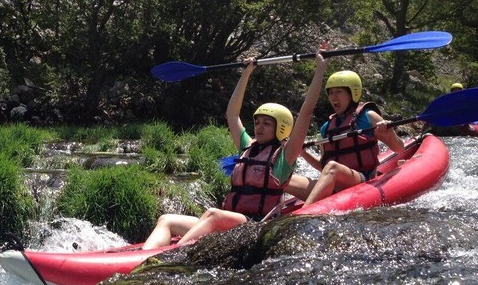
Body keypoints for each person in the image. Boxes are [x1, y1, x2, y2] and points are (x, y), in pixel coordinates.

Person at [141, 46, 330, 250]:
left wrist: (320, 69)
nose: (259, 127)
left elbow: (306, 112)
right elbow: (232, 115)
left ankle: (171, 256)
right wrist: (245, 74)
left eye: (267, 123)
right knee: (166, 219)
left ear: (281, 128)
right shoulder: (247, 147)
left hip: (254, 226)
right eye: (257, 122)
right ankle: (143, 257)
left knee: (213, 214)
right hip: (229, 223)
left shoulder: (284, 156)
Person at [299, 70, 404, 205]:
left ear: (352, 94)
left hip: (362, 179)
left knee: (332, 167)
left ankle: (302, 213)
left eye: (338, 92)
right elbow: (323, 167)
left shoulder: (369, 117)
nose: (333, 97)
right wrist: (303, 153)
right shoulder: (327, 127)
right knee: (289, 180)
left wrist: (389, 132)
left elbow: (399, 149)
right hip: (336, 181)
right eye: (331, 92)